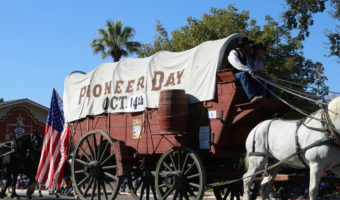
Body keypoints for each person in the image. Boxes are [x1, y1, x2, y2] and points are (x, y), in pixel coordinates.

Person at [228, 37, 264, 103]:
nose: (249, 46)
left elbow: (248, 66)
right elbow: (236, 63)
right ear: (244, 45)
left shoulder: (245, 56)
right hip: (233, 75)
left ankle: (260, 95)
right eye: (247, 45)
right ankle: (251, 97)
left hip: (243, 74)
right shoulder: (233, 52)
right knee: (243, 74)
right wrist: (248, 70)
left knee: (257, 77)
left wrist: (254, 72)